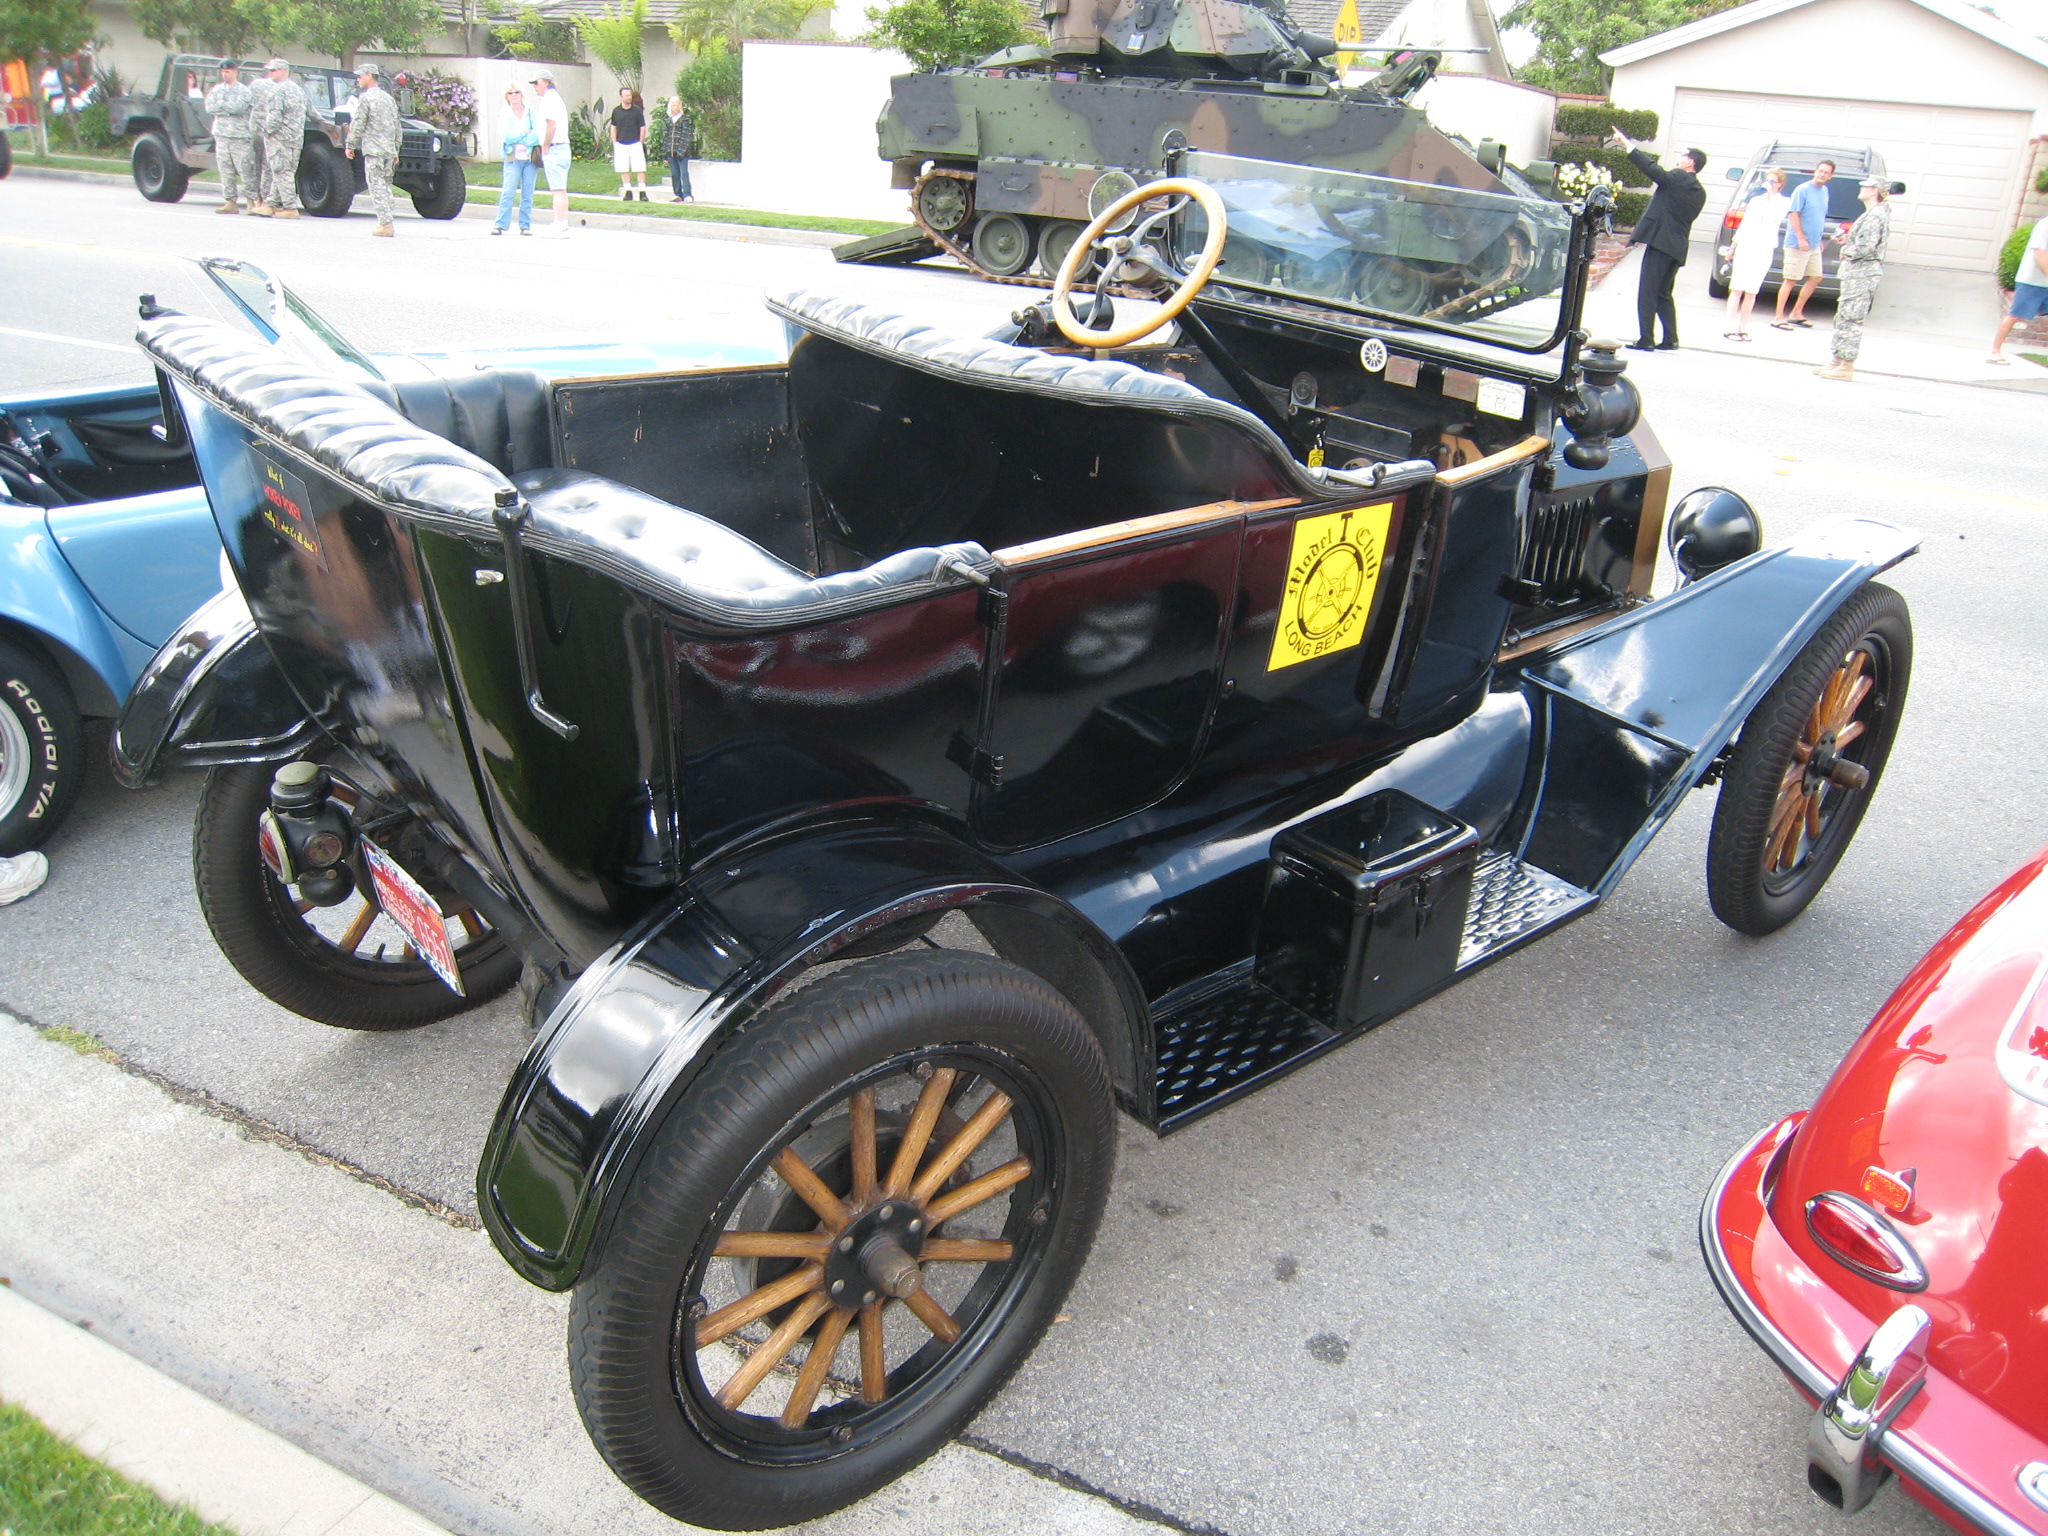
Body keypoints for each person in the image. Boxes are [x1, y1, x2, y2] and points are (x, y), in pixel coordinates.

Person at [1609, 128, 1706, 351]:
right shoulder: (1699, 191)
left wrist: (1627, 144)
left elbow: (1654, 171)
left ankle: (1646, 339)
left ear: (1690, 163)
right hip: (1677, 247)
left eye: (1684, 155)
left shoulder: (1679, 178)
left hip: (1661, 244)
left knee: (1648, 291)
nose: (1680, 158)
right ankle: (1671, 339)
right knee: (1663, 293)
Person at [1816, 177, 1893, 382]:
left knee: (1851, 319)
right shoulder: (1871, 214)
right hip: (1855, 274)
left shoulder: (1875, 215)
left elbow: (1866, 248)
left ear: (1875, 190)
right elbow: (1862, 242)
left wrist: (1846, 249)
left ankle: (1846, 365)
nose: (1861, 188)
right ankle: (1836, 360)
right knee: (1843, 317)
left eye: (1866, 186)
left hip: (1863, 274)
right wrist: (1847, 240)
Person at [1723, 166, 1790, 341]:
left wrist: (1770, 196)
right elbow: (1745, 224)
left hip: (1764, 248)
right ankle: (1729, 326)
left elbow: (1772, 217)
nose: (1768, 184)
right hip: (1746, 246)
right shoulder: (1755, 201)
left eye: (1772, 181)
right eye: (1767, 180)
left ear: (1780, 184)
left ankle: (1743, 327)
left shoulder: (1783, 202)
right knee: (1737, 288)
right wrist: (1733, 247)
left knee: (1751, 290)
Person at [1773, 159, 1835, 329]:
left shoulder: (1824, 191)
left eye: (1826, 172)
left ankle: (1796, 313)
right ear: (1815, 171)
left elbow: (1819, 216)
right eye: (1820, 170)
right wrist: (1801, 238)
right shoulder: (1802, 190)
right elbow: (1793, 214)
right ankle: (1778, 317)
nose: (1822, 174)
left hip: (1814, 244)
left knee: (1816, 277)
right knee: (1790, 279)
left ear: (1831, 176)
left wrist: (1819, 239)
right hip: (1797, 243)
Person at [343, 64, 399, 237]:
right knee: (385, 184)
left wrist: (350, 144)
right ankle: (388, 217)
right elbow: (397, 125)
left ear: (369, 76)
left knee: (376, 186)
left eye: (360, 76)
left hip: (374, 149)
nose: (358, 79)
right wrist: (396, 148)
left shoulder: (366, 98)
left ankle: (385, 223)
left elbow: (359, 123)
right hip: (389, 150)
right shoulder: (388, 99)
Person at [1989, 214, 2048, 364]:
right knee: (2015, 314)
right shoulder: (2044, 225)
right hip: (2032, 281)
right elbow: (2039, 253)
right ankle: (1995, 352)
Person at [252, 58, 305, 220]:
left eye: (273, 70)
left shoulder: (277, 90)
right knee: (283, 171)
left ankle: (290, 207)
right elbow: (308, 111)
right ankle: (270, 204)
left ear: (283, 71)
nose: (270, 73)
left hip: (280, 138)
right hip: (295, 138)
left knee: (282, 172)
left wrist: (266, 132)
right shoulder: (297, 90)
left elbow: (274, 117)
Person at [204, 60, 255, 215]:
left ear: (235, 72)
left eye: (228, 71)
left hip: (239, 136)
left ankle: (251, 202)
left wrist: (221, 106)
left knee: (245, 169)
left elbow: (239, 108)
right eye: (223, 72)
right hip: (221, 135)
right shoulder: (217, 89)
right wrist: (226, 107)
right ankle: (230, 201)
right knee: (225, 169)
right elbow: (209, 107)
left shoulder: (244, 91)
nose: (225, 74)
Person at [492, 82, 541, 235]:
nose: (514, 95)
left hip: (530, 159)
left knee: (528, 193)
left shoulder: (531, 113)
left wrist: (523, 138)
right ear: (506, 97)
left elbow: (537, 134)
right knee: (508, 192)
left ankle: (525, 226)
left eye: (517, 92)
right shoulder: (504, 114)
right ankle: (500, 224)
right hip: (512, 159)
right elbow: (507, 136)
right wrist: (524, 133)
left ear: (522, 95)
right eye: (511, 93)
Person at [532, 67, 572, 236]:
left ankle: (559, 222)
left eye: (537, 83)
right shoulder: (557, 99)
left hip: (555, 147)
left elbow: (551, 125)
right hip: (564, 147)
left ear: (546, 83)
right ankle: (562, 221)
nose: (534, 86)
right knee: (561, 189)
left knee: (557, 189)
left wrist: (545, 145)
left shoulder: (549, 100)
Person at [609, 86, 649, 201]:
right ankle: (628, 191)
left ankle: (642, 192)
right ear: (621, 97)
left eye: (630, 95)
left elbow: (642, 127)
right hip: (621, 144)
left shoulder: (637, 111)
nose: (629, 98)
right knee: (623, 168)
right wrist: (614, 142)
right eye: (626, 96)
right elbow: (613, 127)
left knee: (640, 168)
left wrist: (641, 142)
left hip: (635, 143)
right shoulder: (616, 111)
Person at [665, 97, 694, 202]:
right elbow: (667, 137)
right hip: (671, 152)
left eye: (677, 105)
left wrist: (681, 151)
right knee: (674, 174)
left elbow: (686, 136)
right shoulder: (668, 121)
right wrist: (666, 153)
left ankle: (687, 194)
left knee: (684, 173)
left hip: (682, 153)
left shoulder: (685, 120)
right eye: (673, 105)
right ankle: (677, 193)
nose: (676, 107)